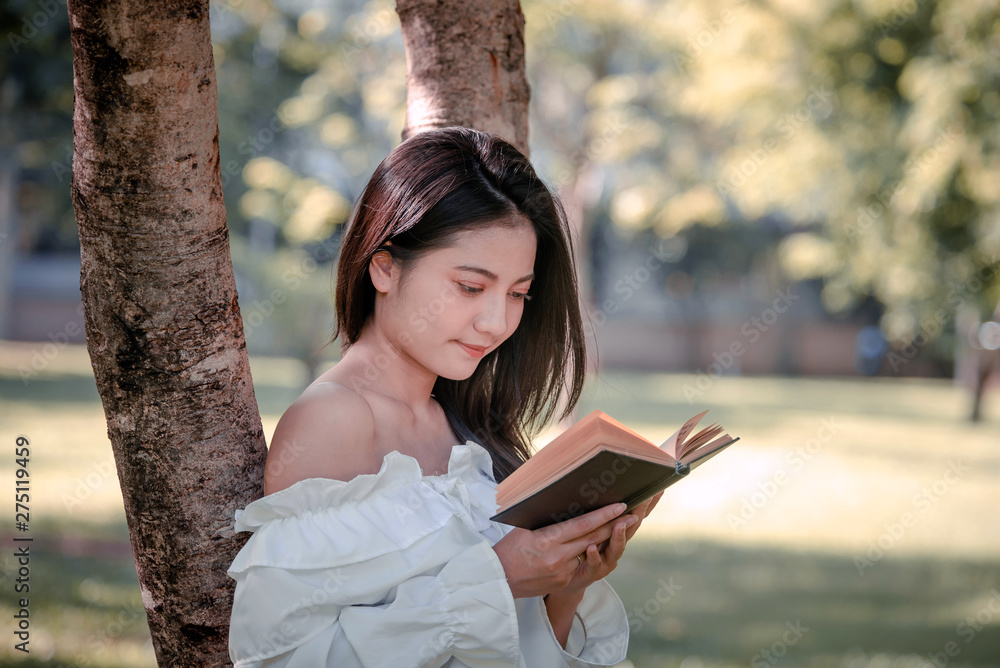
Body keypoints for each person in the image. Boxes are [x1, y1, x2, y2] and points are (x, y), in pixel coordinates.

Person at [226, 126, 663, 667]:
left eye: (519, 294)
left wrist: (567, 582)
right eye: (471, 287)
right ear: (385, 267)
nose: (497, 321)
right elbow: (285, 657)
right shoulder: (332, 421)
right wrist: (496, 577)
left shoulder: (464, 421)